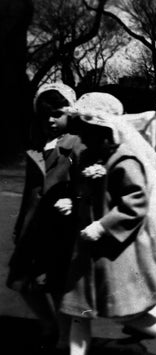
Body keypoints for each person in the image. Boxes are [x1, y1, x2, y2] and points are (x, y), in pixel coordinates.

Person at [60, 92, 156, 355]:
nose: (81, 138)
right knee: (79, 311)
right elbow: (85, 192)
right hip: (86, 249)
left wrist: (104, 225)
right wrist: (73, 202)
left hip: (117, 252)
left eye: (88, 132)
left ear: (106, 130)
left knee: (126, 313)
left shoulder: (125, 160)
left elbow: (135, 202)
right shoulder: (87, 156)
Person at [6, 83, 81, 351]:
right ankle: (48, 323)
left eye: (58, 114)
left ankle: (63, 335)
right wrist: (19, 224)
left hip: (59, 228)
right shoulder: (36, 146)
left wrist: (74, 199)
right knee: (22, 280)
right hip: (32, 224)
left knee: (55, 284)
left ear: (70, 114)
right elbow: (30, 189)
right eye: (45, 114)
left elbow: (87, 184)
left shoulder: (75, 145)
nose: (51, 120)